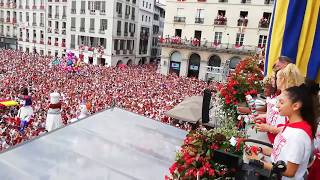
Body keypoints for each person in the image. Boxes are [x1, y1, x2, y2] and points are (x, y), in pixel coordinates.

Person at [247, 84, 318, 179]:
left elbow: (289, 172)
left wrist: (259, 162)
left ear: (295, 106)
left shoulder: (298, 135)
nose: (277, 105)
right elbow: (279, 152)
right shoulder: (290, 126)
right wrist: (260, 149)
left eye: (281, 102)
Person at [255, 63, 305, 143]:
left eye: (276, 78)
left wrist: (269, 128)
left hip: (281, 141)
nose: (273, 81)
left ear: (283, 79)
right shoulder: (292, 95)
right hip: (276, 139)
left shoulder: (291, 98)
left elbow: (292, 127)